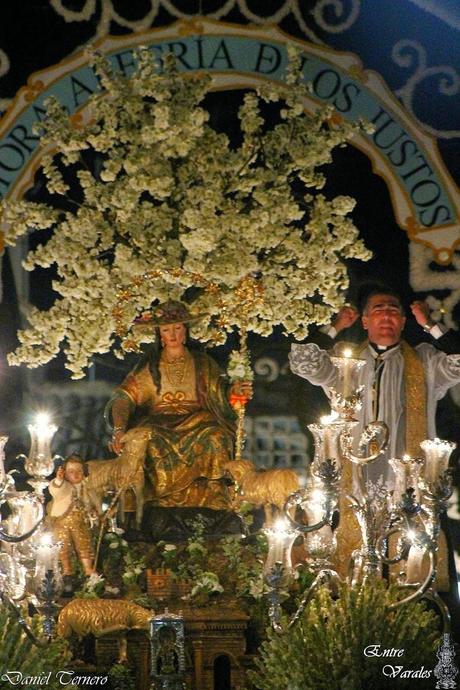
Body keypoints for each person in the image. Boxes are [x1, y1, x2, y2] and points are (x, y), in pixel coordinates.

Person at [289, 287, 460, 486]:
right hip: (354, 474)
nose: (387, 315)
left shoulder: (426, 362)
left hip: (409, 479)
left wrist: (430, 325)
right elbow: (303, 361)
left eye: (394, 310)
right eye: (379, 309)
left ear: (403, 322)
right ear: (364, 321)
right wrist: (337, 324)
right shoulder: (344, 363)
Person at [105, 300, 251, 511]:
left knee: (216, 436)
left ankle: (213, 500)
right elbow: (123, 397)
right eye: (166, 330)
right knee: (148, 440)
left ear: (185, 331)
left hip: (199, 421)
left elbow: (220, 394)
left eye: (177, 328)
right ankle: (158, 505)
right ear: (160, 334)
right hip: (158, 424)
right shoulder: (149, 365)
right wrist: (119, 429)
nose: (172, 335)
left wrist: (235, 393)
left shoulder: (202, 362)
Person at [47, 455, 95, 588]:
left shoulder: (85, 487)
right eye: (71, 471)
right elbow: (55, 489)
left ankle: (88, 570)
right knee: (63, 546)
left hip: (80, 522)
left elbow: (89, 503)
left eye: (79, 471)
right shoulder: (64, 487)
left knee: (84, 545)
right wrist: (58, 479)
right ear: (65, 473)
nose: (75, 474)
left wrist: (93, 512)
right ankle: (67, 571)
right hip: (62, 522)